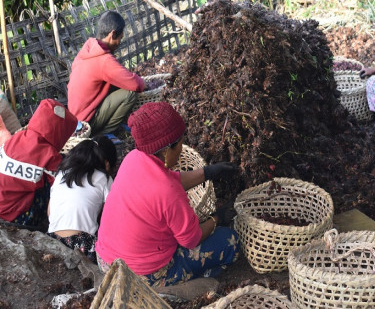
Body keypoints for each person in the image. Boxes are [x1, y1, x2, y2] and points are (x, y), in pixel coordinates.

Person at [95, 102, 240, 287]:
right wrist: (217, 218)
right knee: (229, 241)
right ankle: (184, 281)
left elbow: (172, 180)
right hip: (139, 277)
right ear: (165, 150)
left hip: (106, 261)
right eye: (180, 143)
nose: (181, 149)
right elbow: (191, 239)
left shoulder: (134, 158)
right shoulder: (168, 192)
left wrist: (208, 172)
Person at [0, 99, 78, 227]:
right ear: (60, 132)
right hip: (11, 214)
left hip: (4, 200)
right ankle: (42, 224)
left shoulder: (18, 137)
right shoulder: (49, 154)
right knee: (52, 185)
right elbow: (62, 186)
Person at [67, 10, 145, 136]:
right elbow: (137, 85)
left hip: (74, 120)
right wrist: (144, 82)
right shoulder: (104, 60)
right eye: (120, 38)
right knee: (130, 93)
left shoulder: (88, 48)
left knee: (117, 85)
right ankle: (105, 133)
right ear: (112, 34)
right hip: (86, 122)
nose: (119, 42)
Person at [47, 136, 117, 263]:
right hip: (83, 243)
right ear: (107, 163)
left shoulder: (62, 173)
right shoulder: (104, 178)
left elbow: (49, 213)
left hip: (52, 237)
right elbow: (112, 217)